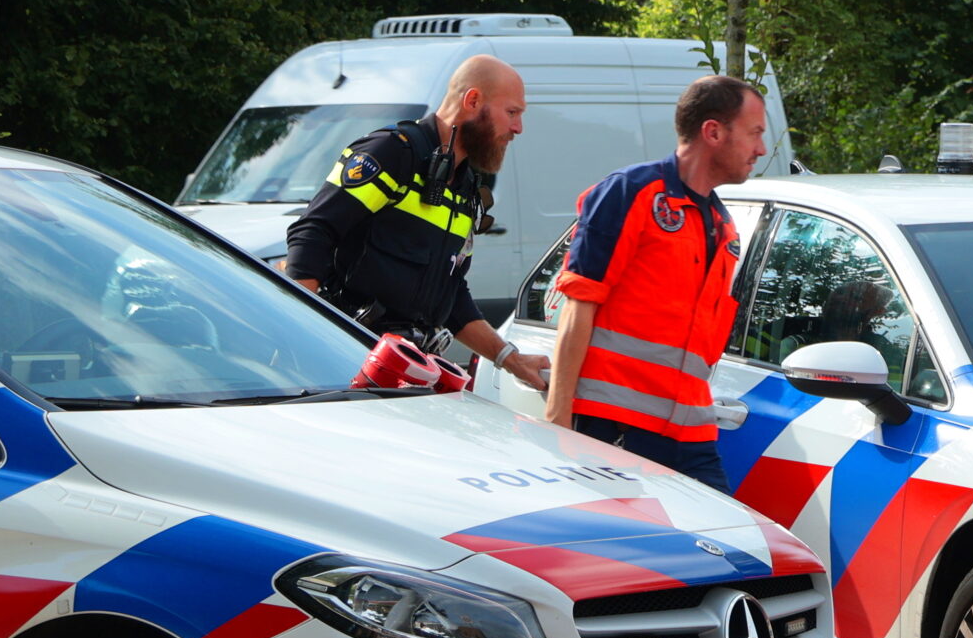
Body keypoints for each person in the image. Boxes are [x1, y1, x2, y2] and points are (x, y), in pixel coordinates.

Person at [543, 73, 768, 494]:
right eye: (754, 133)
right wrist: (558, 420)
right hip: (612, 424)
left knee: (726, 548)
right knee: (618, 553)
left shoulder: (722, 224)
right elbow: (578, 303)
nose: (761, 149)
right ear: (713, 132)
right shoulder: (630, 192)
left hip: (691, 431)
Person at [287, 54, 550, 394]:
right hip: (343, 364)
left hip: (405, 373)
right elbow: (314, 232)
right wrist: (299, 334)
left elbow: (451, 294)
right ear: (473, 101)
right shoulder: (393, 152)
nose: (518, 128)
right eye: (512, 112)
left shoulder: (466, 187)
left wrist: (513, 361)